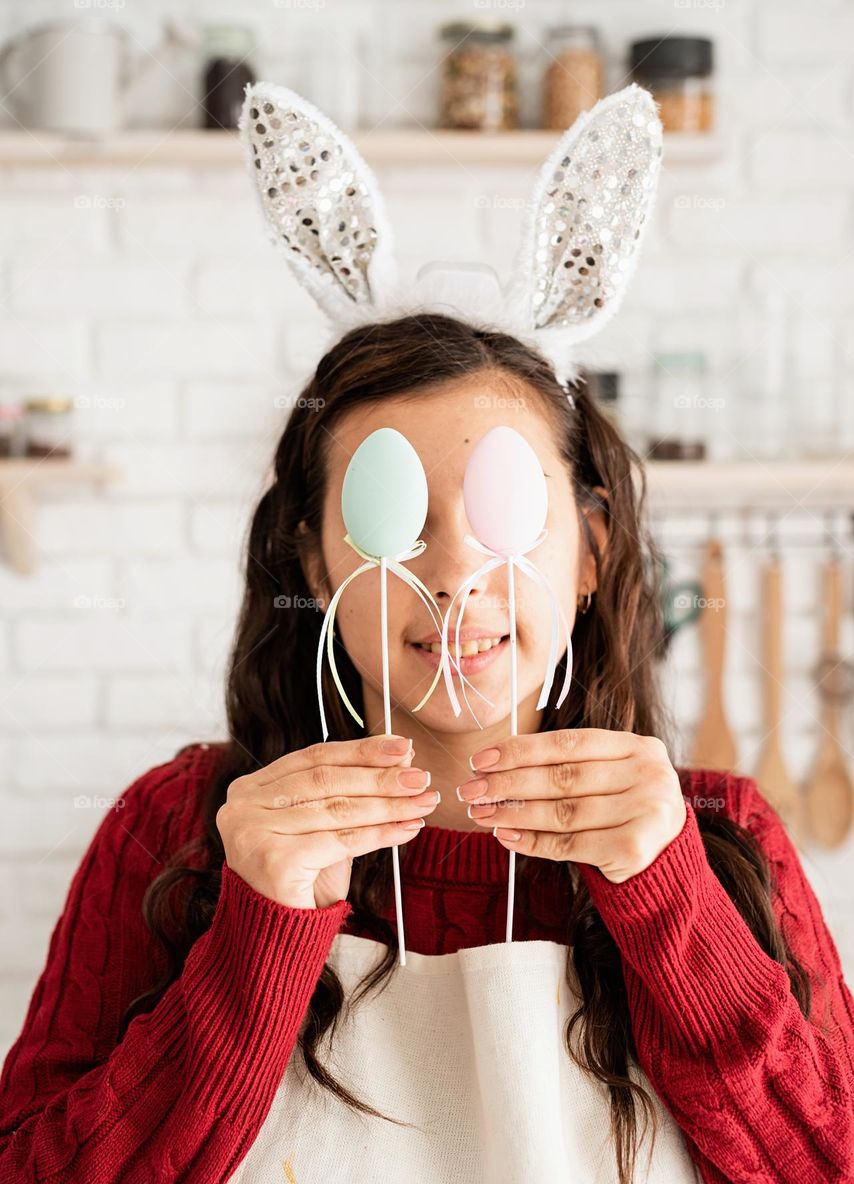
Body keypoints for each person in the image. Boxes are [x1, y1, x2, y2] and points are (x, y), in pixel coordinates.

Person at [1, 83, 851, 1183]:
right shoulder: (181, 829)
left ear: (589, 550)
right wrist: (256, 931)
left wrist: (666, 894)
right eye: (391, 517)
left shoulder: (718, 836)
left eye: (502, 512)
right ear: (314, 557)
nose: (451, 572)